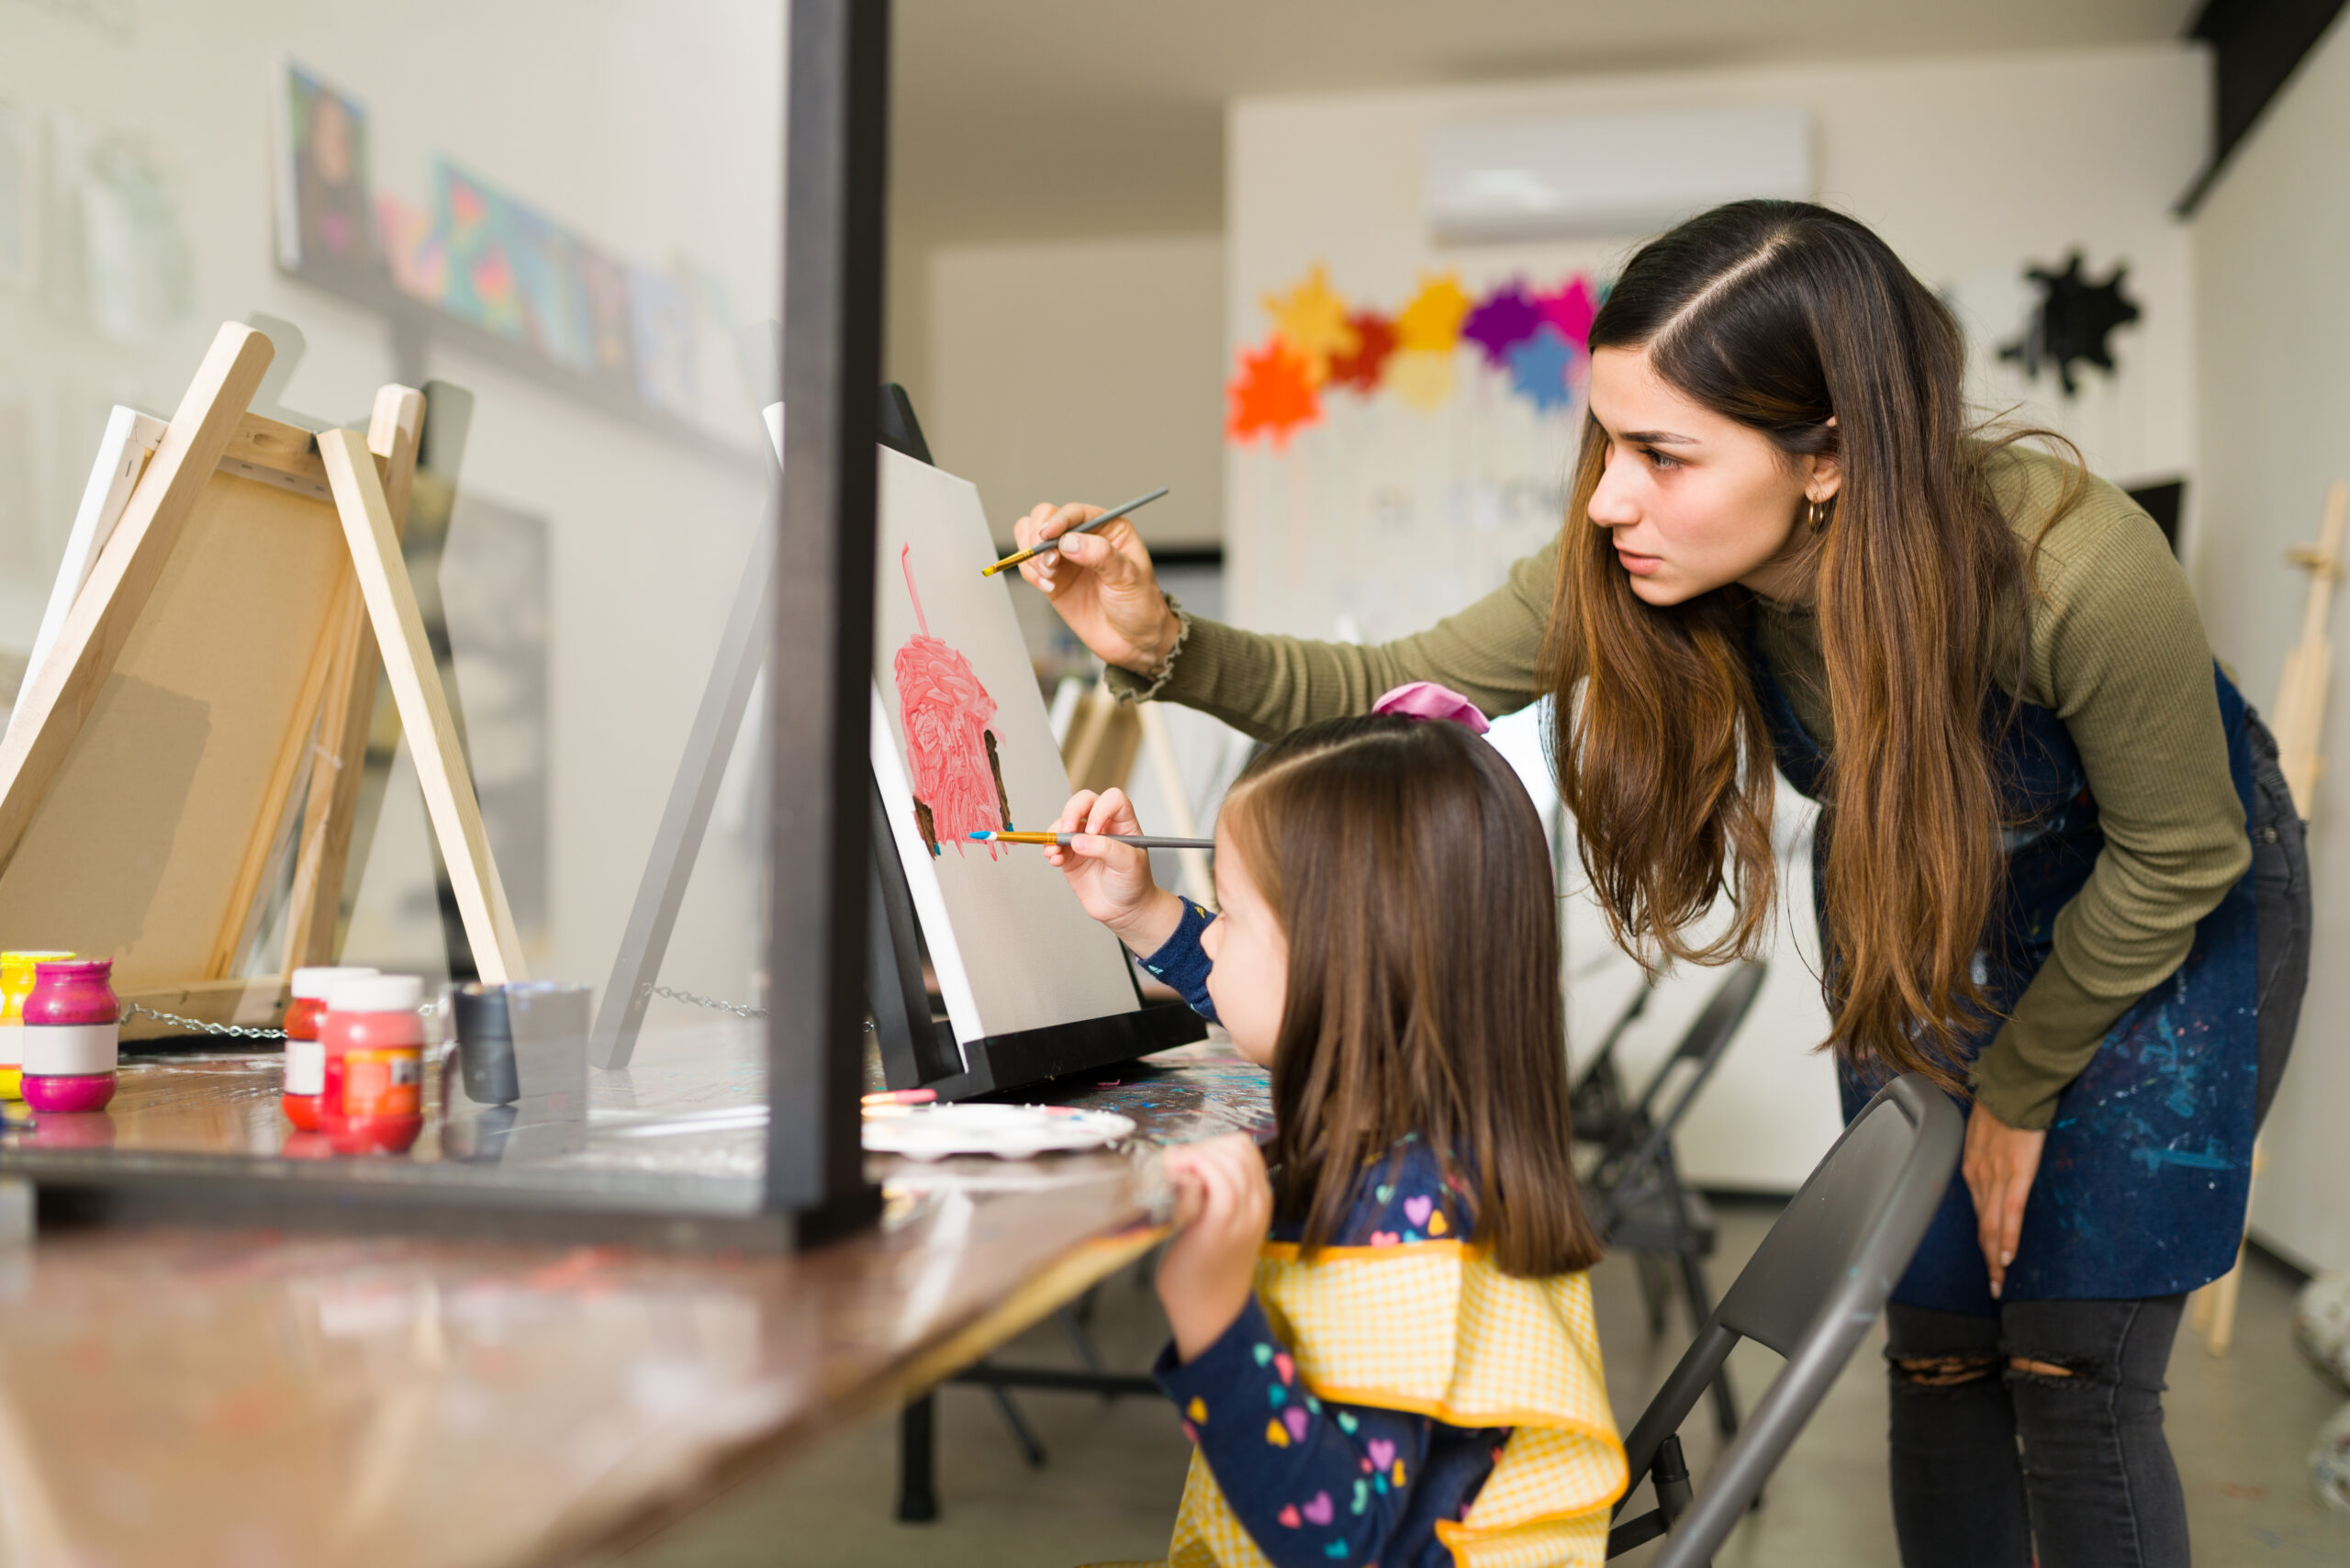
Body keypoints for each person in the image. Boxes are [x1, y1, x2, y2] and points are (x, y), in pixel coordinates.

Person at [1015, 199, 2311, 1568]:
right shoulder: (1648, 559)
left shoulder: (2074, 569)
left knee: (2072, 1359)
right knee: (1935, 1349)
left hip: (2155, 906)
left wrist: (2021, 1086)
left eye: (1662, 453)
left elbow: (2183, 850)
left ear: (1831, 457)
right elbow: (1386, 685)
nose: (1610, 496)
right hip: (1925, 898)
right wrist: (1152, 635)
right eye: (1605, 442)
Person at [1047, 700, 1627, 1568]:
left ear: (1341, 968)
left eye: (1229, 916)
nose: (1214, 943)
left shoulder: (1410, 1212)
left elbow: (1337, 1541)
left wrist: (1211, 1311)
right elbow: (1264, 996)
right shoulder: (1431, 1113)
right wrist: (1146, 915)